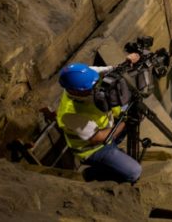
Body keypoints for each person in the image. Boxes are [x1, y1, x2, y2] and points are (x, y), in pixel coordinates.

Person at [56, 54, 142, 183]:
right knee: (134, 172)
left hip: (107, 125)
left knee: (133, 107)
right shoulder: (70, 114)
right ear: (77, 91)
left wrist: (125, 63)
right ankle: (92, 174)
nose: (96, 86)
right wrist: (126, 121)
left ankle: (117, 154)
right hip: (94, 149)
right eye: (92, 87)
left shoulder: (83, 76)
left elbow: (105, 71)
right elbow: (98, 138)